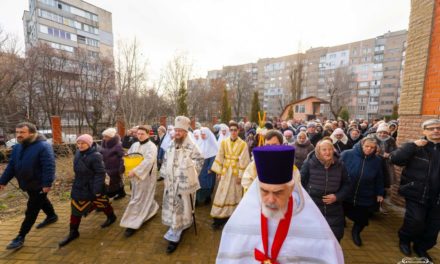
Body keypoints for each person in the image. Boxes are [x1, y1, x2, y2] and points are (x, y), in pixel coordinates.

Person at [217, 145, 344, 263]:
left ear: (291, 189)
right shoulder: (242, 219)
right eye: (264, 191)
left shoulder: (312, 222)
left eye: (278, 193)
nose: (270, 200)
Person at [0, 122, 57, 250]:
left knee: (31, 209)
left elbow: (49, 167)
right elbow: (12, 166)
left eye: (22, 132)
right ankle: (52, 216)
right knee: (41, 201)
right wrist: (2, 181)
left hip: (39, 183)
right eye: (17, 132)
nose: (18, 135)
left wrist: (47, 184)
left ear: (31, 133)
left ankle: (20, 236)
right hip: (27, 183)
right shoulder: (18, 147)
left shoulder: (43, 146)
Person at [389, 119, 440, 261]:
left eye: (438, 128)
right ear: (424, 131)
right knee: (415, 221)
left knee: (433, 227)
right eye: (431, 128)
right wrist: (411, 146)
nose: (435, 131)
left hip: (437, 197)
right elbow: (395, 159)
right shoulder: (416, 147)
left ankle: (421, 247)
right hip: (416, 192)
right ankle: (404, 240)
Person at [59, 134, 116, 247]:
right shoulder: (78, 153)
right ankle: (73, 232)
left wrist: (97, 189)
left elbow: (100, 173)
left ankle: (111, 216)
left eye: (83, 143)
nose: (80, 145)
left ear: (89, 144)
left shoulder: (95, 156)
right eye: (78, 143)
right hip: (79, 185)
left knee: (101, 201)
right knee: (76, 207)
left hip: (92, 186)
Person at [160, 116, 204, 253]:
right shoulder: (172, 144)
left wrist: (188, 166)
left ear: (185, 132)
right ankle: (175, 226)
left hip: (184, 183)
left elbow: (199, 161)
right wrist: (165, 175)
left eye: (180, 130)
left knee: (182, 208)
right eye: (176, 130)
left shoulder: (192, 145)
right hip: (171, 183)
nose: (177, 133)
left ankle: (175, 235)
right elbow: (166, 160)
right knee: (172, 207)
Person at [300, 140, 351, 241]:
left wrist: (337, 196)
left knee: (334, 238)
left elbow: (347, 184)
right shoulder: (309, 163)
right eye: (324, 150)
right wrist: (308, 198)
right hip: (314, 207)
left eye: (330, 149)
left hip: (334, 208)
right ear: (318, 151)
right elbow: (301, 183)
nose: (328, 152)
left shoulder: (339, 165)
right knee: (313, 237)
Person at [341, 138, 384, 246]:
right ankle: (342, 222)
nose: (369, 149)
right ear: (361, 145)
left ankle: (356, 232)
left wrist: (380, 192)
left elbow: (379, 177)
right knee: (341, 211)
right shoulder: (347, 154)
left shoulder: (377, 160)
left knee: (362, 218)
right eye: (367, 146)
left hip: (365, 193)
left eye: (372, 147)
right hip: (346, 191)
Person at [120, 125, 159, 237]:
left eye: (142, 134)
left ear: (148, 134)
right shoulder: (135, 144)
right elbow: (131, 156)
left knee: (138, 199)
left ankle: (133, 223)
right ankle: (151, 208)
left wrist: (136, 171)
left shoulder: (152, 147)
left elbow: (148, 161)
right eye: (138, 134)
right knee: (139, 196)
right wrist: (127, 158)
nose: (140, 136)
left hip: (146, 177)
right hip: (135, 177)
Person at [211, 121, 251, 229]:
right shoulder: (224, 142)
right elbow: (220, 156)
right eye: (231, 130)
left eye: (235, 130)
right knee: (221, 193)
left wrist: (240, 176)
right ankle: (218, 218)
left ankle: (231, 217)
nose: (233, 132)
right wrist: (218, 172)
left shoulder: (243, 144)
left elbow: (244, 160)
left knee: (234, 194)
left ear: (238, 131)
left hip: (235, 173)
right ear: (229, 131)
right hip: (225, 171)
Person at [100, 128, 126, 199]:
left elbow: (122, 157)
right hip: (106, 166)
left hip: (115, 167)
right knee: (110, 182)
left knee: (115, 181)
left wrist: (121, 168)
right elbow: (100, 153)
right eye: (104, 136)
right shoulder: (103, 144)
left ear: (111, 137)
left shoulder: (118, 145)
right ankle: (121, 193)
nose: (104, 138)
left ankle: (119, 193)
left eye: (106, 136)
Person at [196, 127, 219, 205]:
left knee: (208, 184)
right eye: (201, 134)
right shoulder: (200, 143)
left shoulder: (213, 145)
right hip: (200, 168)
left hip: (208, 169)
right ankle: (198, 199)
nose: (202, 136)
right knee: (199, 183)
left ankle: (207, 198)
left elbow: (214, 157)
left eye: (204, 135)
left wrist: (210, 168)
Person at [374, 123, 397, 191]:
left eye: (385, 133)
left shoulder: (391, 139)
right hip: (376, 159)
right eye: (380, 132)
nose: (382, 134)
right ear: (378, 132)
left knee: (385, 175)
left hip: (386, 161)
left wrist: (390, 154)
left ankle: (383, 190)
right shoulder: (373, 138)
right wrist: (378, 153)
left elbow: (395, 149)